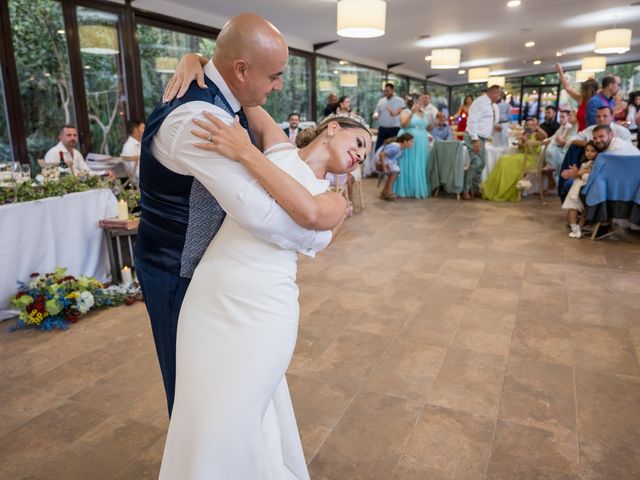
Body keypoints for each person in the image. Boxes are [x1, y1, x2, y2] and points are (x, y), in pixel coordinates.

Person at [135, 13, 337, 424]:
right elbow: (260, 214)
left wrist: (196, 57)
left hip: (211, 269)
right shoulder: (200, 120)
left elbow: (270, 140)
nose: (279, 85)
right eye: (275, 76)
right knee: (191, 387)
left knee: (222, 381)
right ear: (241, 69)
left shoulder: (228, 98)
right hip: (177, 269)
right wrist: (319, 230)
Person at [168, 109, 370, 479]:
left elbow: (308, 213)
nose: (360, 155)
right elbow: (248, 97)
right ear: (333, 129)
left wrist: (246, 152)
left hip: (266, 307)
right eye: (359, 143)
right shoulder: (279, 151)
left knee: (240, 406)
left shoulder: (335, 201)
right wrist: (193, 60)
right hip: (211, 291)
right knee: (200, 405)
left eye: (365, 155)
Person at [481, 117, 547, 202]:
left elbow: (545, 136)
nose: (529, 127)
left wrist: (537, 128)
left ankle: (504, 191)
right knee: (503, 159)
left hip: (531, 160)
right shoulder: (525, 134)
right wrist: (521, 140)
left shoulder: (537, 135)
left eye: (531, 125)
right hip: (522, 157)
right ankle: (496, 189)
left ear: (535, 126)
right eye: (527, 125)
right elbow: (520, 146)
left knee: (506, 161)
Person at [463, 85, 502, 199]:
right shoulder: (480, 102)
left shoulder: (491, 105)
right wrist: (475, 140)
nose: (499, 97)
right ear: (493, 93)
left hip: (482, 138)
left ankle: (475, 189)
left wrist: (494, 127)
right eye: (498, 94)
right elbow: (472, 121)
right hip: (474, 136)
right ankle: (465, 190)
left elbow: (484, 121)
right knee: (476, 162)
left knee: (481, 164)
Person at [393, 95, 429, 198]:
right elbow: (404, 125)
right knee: (408, 163)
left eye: (421, 101)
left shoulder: (423, 113)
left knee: (419, 164)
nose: (421, 102)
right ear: (413, 102)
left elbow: (424, 126)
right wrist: (412, 112)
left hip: (422, 142)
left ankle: (416, 186)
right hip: (408, 141)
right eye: (419, 101)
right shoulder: (405, 112)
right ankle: (407, 188)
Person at [561, 141, 598, 239]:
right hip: (577, 188)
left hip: (585, 189)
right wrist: (575, 173)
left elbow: (586, 174)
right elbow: (578, 175)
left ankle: (579, 227)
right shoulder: (585, 162)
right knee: (573, 207)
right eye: (587, 150)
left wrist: (580, 172)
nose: (589, 153)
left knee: (583, 210)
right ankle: (574, 227)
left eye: (592, 151)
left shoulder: (595, 165)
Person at [556, 63, 598, 132]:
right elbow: (567, 87)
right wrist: (560, 71)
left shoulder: (598, 103)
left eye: (583, 90)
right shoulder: (581, 99)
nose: (581, 91)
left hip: (592, 135)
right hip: (580, 134)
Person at [543, 109, 576, 190]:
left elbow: (563, 141)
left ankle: (550, 167)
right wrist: (545, 141)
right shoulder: (562, 127)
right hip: (561, 148)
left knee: (550, 147)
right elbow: (554, 136)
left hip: (565, 151)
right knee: (546, 147)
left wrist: (556, 141)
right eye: (560, 117)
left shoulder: (569, 126)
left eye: (563, 117)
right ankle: (551, 183)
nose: (560, 119)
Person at [376, 133, 414, 200]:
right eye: (411, 142)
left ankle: (385, 191)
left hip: (388, 161)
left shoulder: (401, 148)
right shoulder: (396, 148)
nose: (412, 144)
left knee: (395, 172)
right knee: (395, 171)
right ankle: (388, 191)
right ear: (405, 141)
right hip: (381, 162)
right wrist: (384, 166)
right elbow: (382, 154)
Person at [374, 83, 405, 151]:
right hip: (382, 129)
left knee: (392, 150)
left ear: (392, 90)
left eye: (388, 91)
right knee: (378, 149)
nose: (386, 93)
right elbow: (376, 112)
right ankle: (378, 161)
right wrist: (375, 115)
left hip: (394, 129)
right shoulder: (381, 101)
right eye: (385, 91)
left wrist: (392, 112)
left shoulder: (400, 100)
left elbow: (399, 113)